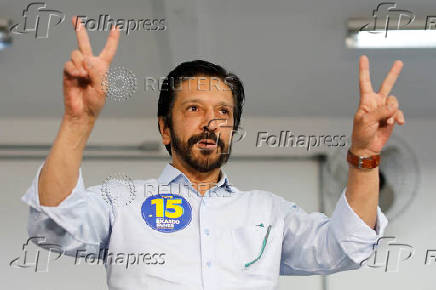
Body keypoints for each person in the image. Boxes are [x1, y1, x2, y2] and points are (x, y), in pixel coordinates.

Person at [21, 16, 405, 290]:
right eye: (194, 109)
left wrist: (365, 153)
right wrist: (79, 119)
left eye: (224, 112)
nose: (211, 122)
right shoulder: (121, 203)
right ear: (164, 128)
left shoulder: (269, 213)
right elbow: (53, 225)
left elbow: (346, 246)